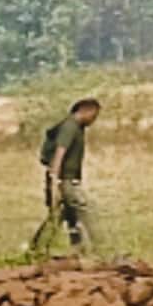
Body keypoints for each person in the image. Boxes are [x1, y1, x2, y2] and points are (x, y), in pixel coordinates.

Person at [40, 98, 101, 252]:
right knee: (86, 210)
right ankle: (102, 247)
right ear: (85, 110)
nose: (94, 120)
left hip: (66, 179)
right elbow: (60, 151)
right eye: (94, 115)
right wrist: (55, 180)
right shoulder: (70, 127)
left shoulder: (76, 127)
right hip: (66, 180)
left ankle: (39, 248)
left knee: (62, 215)